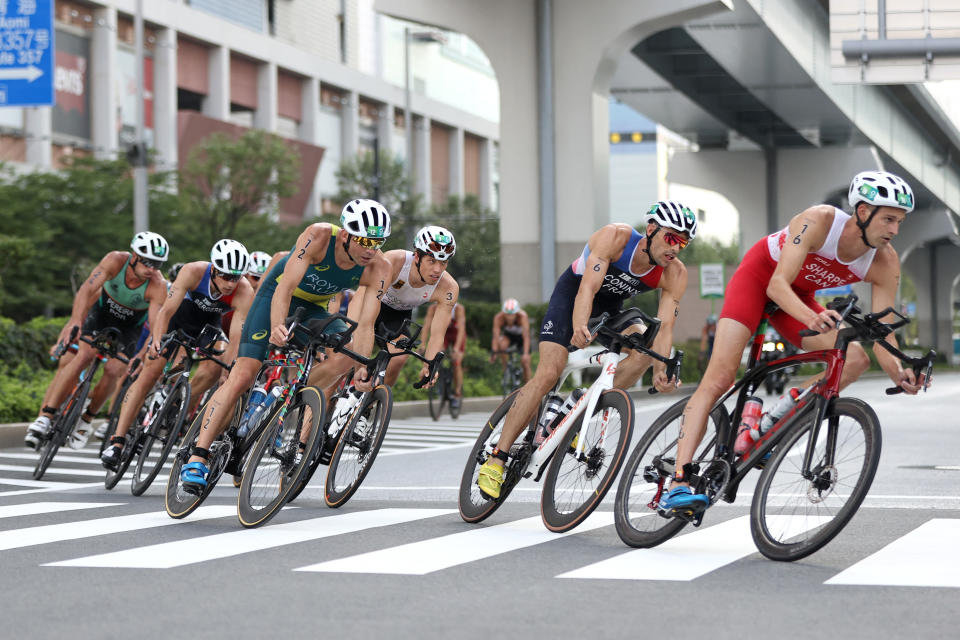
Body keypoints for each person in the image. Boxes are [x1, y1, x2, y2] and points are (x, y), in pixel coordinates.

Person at [660, 170, 929, 514]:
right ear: (863, 212)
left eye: (900, 221)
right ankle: (679, 481)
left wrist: (900, 372)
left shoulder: (885, 261)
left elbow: (883, 331)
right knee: (720, 378)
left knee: (857, 359)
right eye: (889, 219)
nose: (894, 230)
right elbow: (776, 286)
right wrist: (810, 318)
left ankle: (767, 424)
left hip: (800, 299)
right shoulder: (819, 221)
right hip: (760, 280)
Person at [476, 201, 697, 499]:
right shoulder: (616, 238)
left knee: (645, 351)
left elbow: (665, 327)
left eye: (683, 242)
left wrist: (661, 371)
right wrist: (580, 325)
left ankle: (586, 402)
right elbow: (588, 289)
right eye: (672, 238)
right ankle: (496, 459)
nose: (676, 248)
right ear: (651, 229)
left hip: (611, 309)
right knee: (548, 374)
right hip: (573, 296)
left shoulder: (675, 273)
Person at [175, 199, 393, 494]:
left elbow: (367, 322)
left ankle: (290, 396)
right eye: (365, 240)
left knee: (346, 354)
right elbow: (285, 288)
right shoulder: (317, 237)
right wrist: (278, 326)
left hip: (314, 307)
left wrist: (362, 366)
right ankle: (199, 456)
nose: (371, 249)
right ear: (345, 235)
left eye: (377, 242)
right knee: (244, 373)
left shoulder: (379, 267)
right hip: (275, 296)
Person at [101, 239, 255, 470]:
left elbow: (236, 336)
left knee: (216, 368)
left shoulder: (244, 290)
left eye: (236, 277)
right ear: (213, 269)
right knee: (151, 371)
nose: (230, 283)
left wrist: (229, 368)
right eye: (225, 276)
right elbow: (166, 311)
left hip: (208, 326)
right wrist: (156, 341)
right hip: (178, 319)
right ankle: (117, 442)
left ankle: (180, 401)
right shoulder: (193, 271)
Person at [24, 232, 170, 450]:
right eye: (148, 262)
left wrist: (144, 352)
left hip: (130, 326)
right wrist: (75, 321)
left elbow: (155, 324)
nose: (152, 268)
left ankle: (87, 420)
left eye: (157, 264)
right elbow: (87, 289)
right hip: (101, 313)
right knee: (84, 355)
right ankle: (46, 415)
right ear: (134, 255)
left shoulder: (157, 285)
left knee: (114, 370)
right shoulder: (115, 260)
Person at [348, 225, 459, 389]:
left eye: (443, 263)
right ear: (417, 257)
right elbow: (362, 295)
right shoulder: (394, 261)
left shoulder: (448, 287)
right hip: (369, 304)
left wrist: (428, 366)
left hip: (397, 316)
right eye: (432, 261)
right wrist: (349, 329)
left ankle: (371, 402)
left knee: (400, 356)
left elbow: (437, 335)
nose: (437, 269)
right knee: (346, 355)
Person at [422, 299, 467, 409]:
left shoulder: (458, 309)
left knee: (457, 362)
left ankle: (457, 393)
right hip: (444, 333)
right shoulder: (433, 308)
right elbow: (426, 327)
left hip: (456, 334)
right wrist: (422, 344)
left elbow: (461, 329)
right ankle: (439, 376)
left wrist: (456, 348)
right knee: (437, 351)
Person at [490, 298, 532, 382]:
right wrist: (494, 352)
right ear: (503, 313)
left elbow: (526, 337)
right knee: (502, 345)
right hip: (509, 336)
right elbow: (495, 336)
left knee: (525, 363)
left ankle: (528, 384)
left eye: (512, 314)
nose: (509, 317)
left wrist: (526, 354)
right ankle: (506, 368)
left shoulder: (523, 316)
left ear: (516, 313)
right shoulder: (498, 318)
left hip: (522, 337)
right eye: (507, 314)